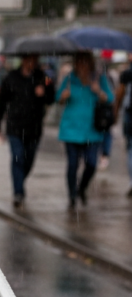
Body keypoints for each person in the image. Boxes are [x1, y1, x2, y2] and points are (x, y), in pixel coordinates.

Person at [0, 54, 56, 209]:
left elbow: (52, 97)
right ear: (23, 60)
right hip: (15, 126)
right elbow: (1, 102)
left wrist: (44, 93)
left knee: (29, 160)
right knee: (17, 157)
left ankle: (19, 181)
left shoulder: (44, 77)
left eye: (34, 59)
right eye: (29, 59)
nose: (32, 62)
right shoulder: (11, 78)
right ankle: (18, 192)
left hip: (34, 128)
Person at [57, 52, 113, 208]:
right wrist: (63, 96)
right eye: (79, 62)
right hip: (71, 128)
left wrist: (98, 91)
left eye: (85, 62)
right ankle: (72, 195)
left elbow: (110, 98)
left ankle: (82, 188)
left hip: (92, 129)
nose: (82, 66)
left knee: (91, 163)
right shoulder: (69, 79)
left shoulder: (99, 79)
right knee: (73, 164)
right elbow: (57, 98)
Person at [113, 61, 132, 196]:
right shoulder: (127, 74)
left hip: (130, 114)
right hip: (129, 116)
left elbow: (119, 94)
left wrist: (115, 111)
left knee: (131, 149)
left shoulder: (127, 74)